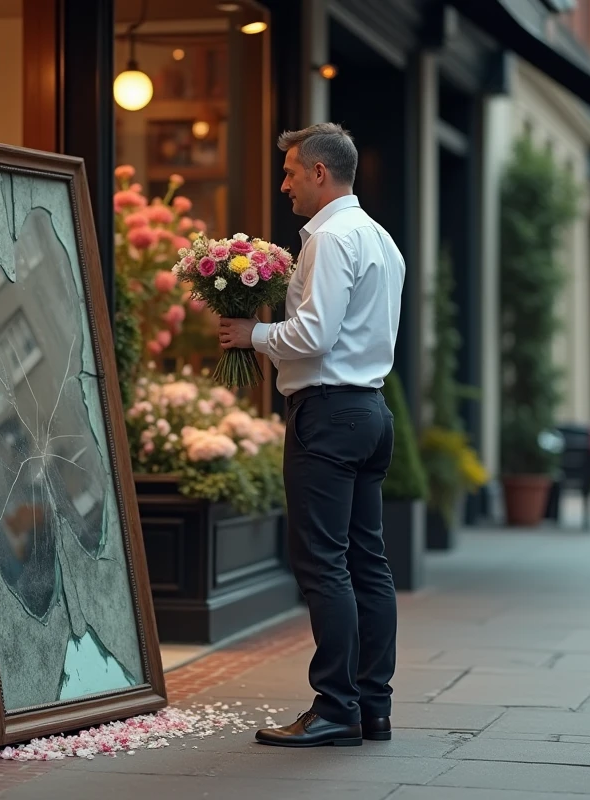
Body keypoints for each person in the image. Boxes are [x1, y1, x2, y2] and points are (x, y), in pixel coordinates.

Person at [217, 123, 405, 748]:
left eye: (292, 171)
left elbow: (314, 336)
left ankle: (334, 708)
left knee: (324, 566)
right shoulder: (382, 239)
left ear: (321, 172)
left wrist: (255, 336)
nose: (284, 183)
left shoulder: (329, 239)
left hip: (328, 414)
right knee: (367, 563)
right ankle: (371, 707)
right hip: (371, 412)